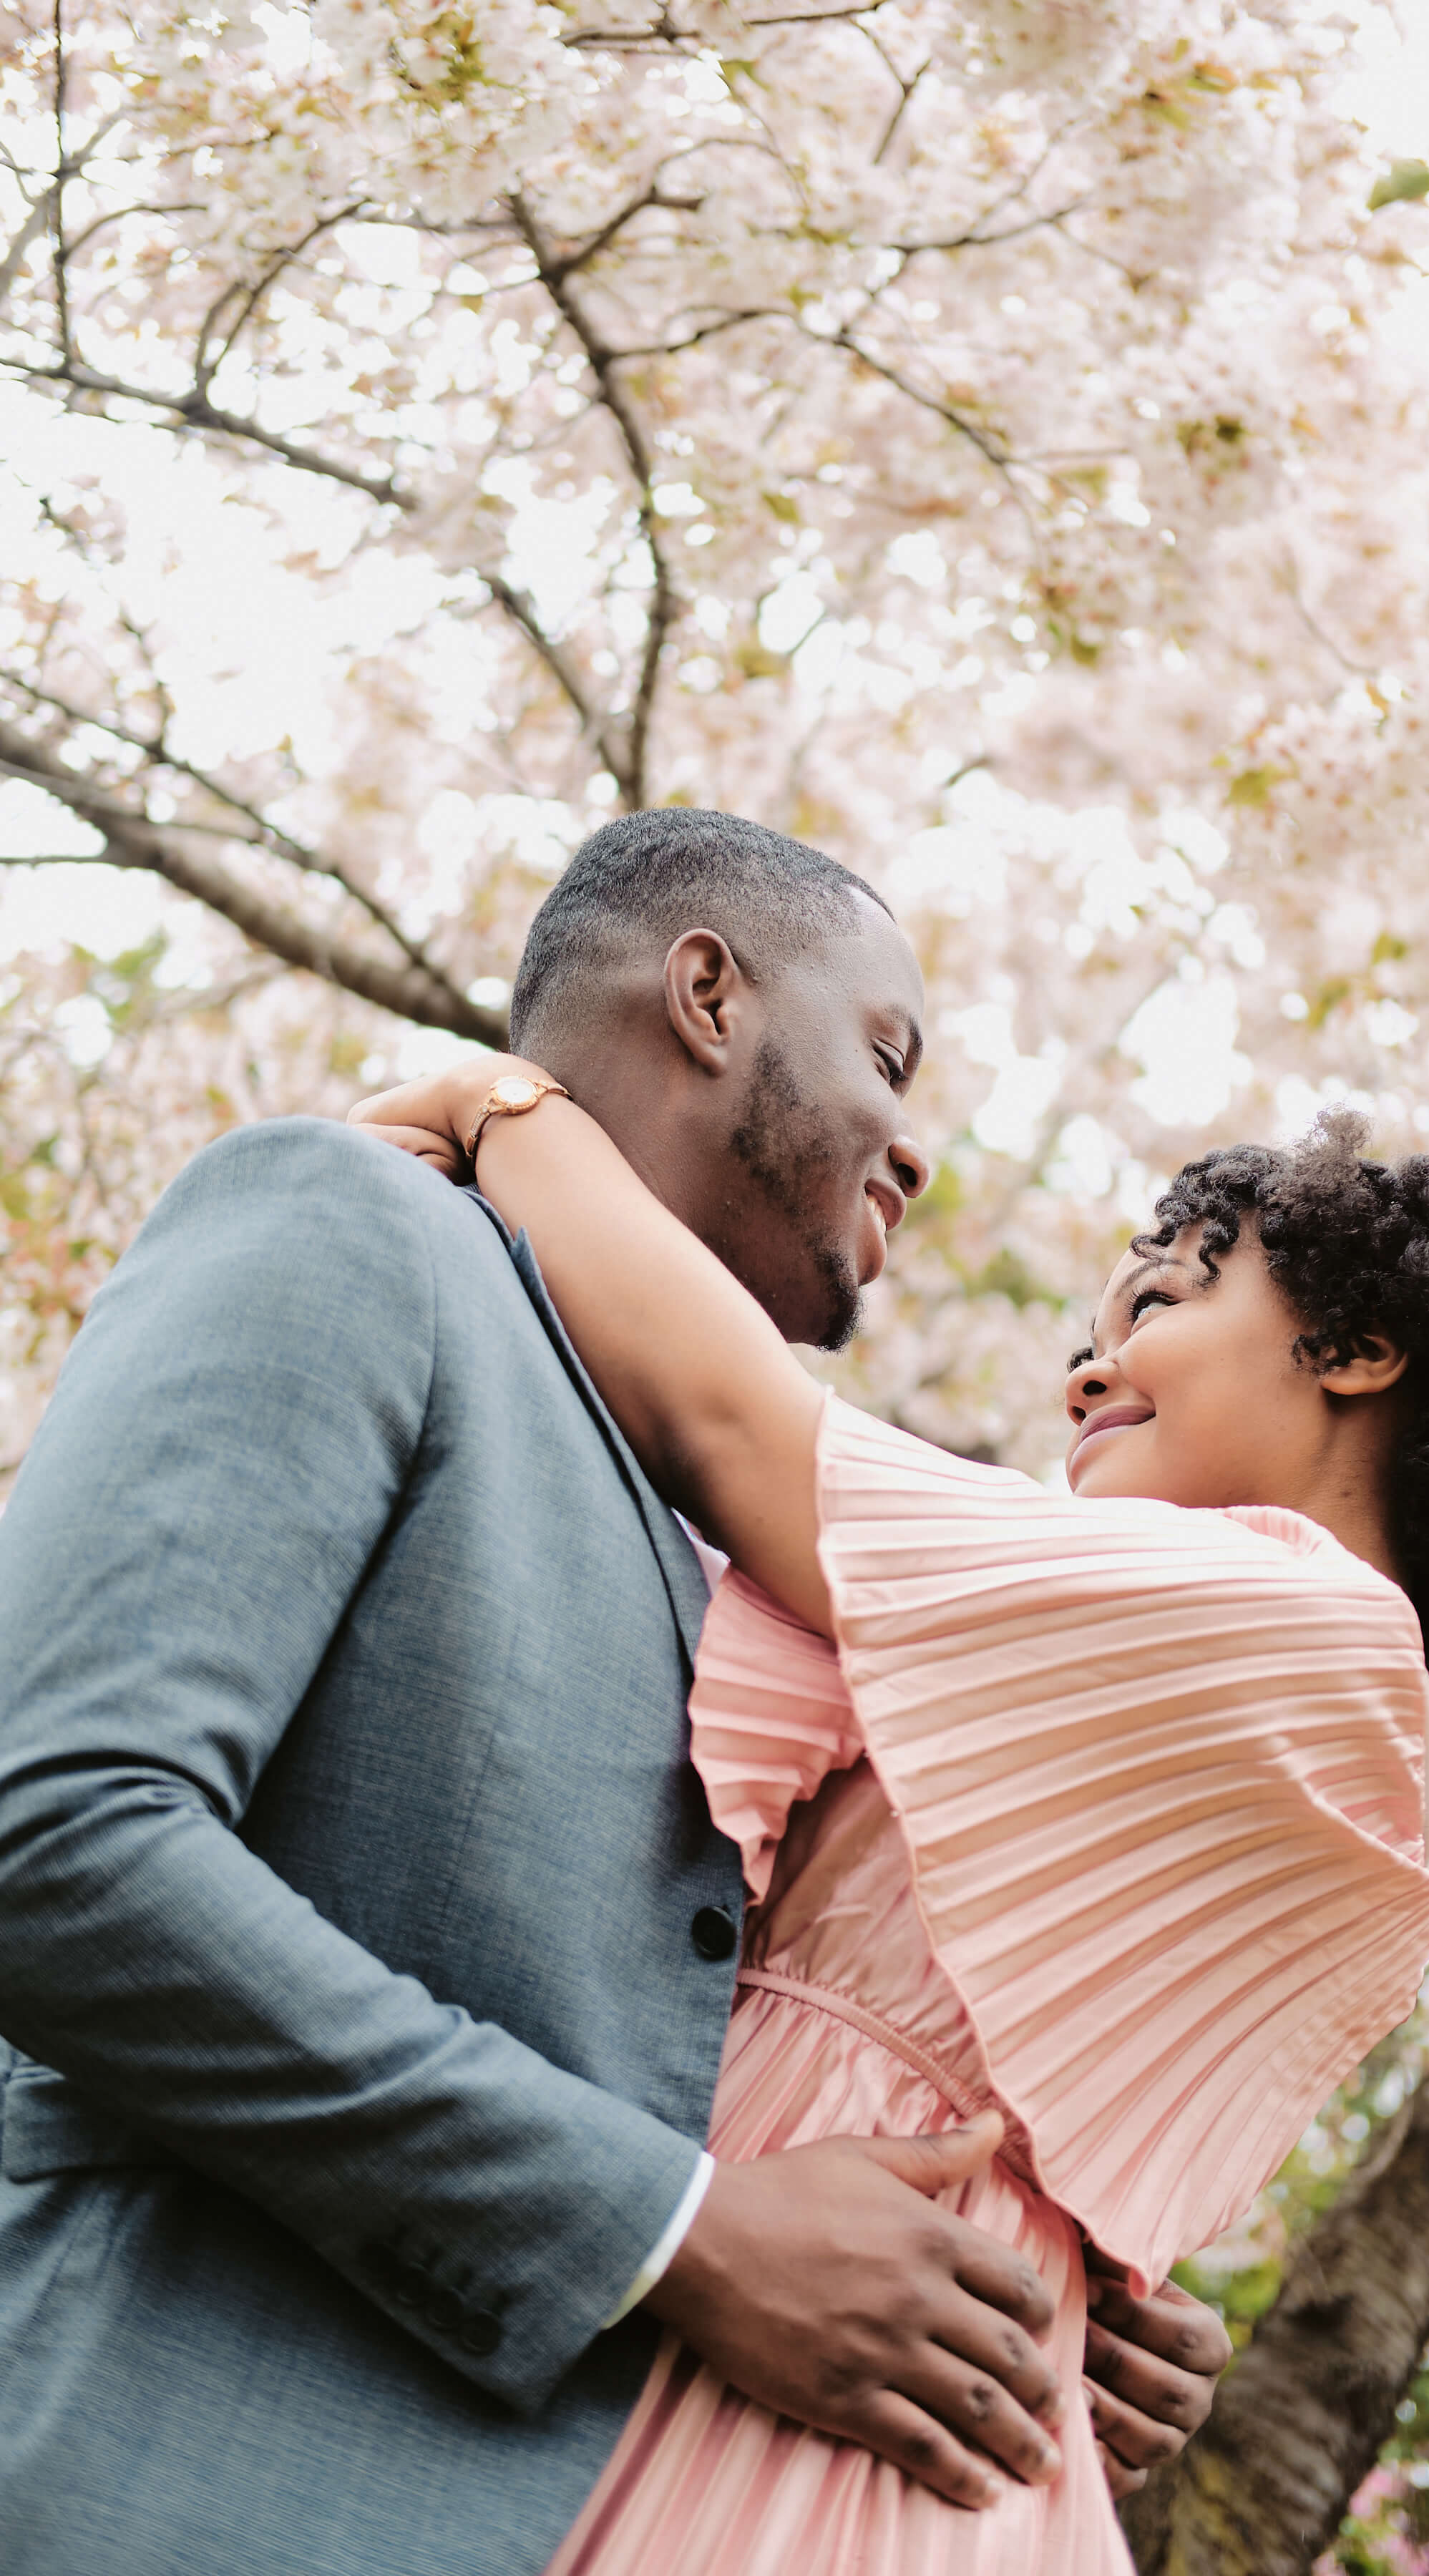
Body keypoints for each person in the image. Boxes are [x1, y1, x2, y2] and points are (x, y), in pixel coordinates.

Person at [0, 812, 1225, 2576]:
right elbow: (60, 1839)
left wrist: (1032, 2280)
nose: (923, 1152)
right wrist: (674, 2234)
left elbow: (668, 2036)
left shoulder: (747, 1563)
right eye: (888, 1058)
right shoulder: (350, 1224)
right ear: (709, 995)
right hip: (174, 2479)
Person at [349, 1033, 1429, 2575]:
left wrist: (492, 1105)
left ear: (1359, 1344)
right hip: (863, 2327)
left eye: (1162, 1302)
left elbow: (747, 1432)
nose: (1087, 1365)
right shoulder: (1208, 1669)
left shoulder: (1313, 1629)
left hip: (828, 2390)